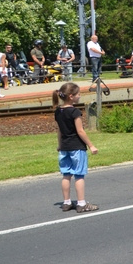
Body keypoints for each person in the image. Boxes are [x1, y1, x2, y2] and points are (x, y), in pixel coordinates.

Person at [53, 82, 99, 212]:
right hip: (77, 147)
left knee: (66, 175)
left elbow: (59, 131)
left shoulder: (58, 111)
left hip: (64, 147)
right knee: (79, 175)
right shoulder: (75, 112)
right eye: (78, 94)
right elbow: (80, 131)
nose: (80, 96)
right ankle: (81, 203)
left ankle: (66, 202)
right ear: (71, 96)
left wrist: (59, 145)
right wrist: (91, 145)